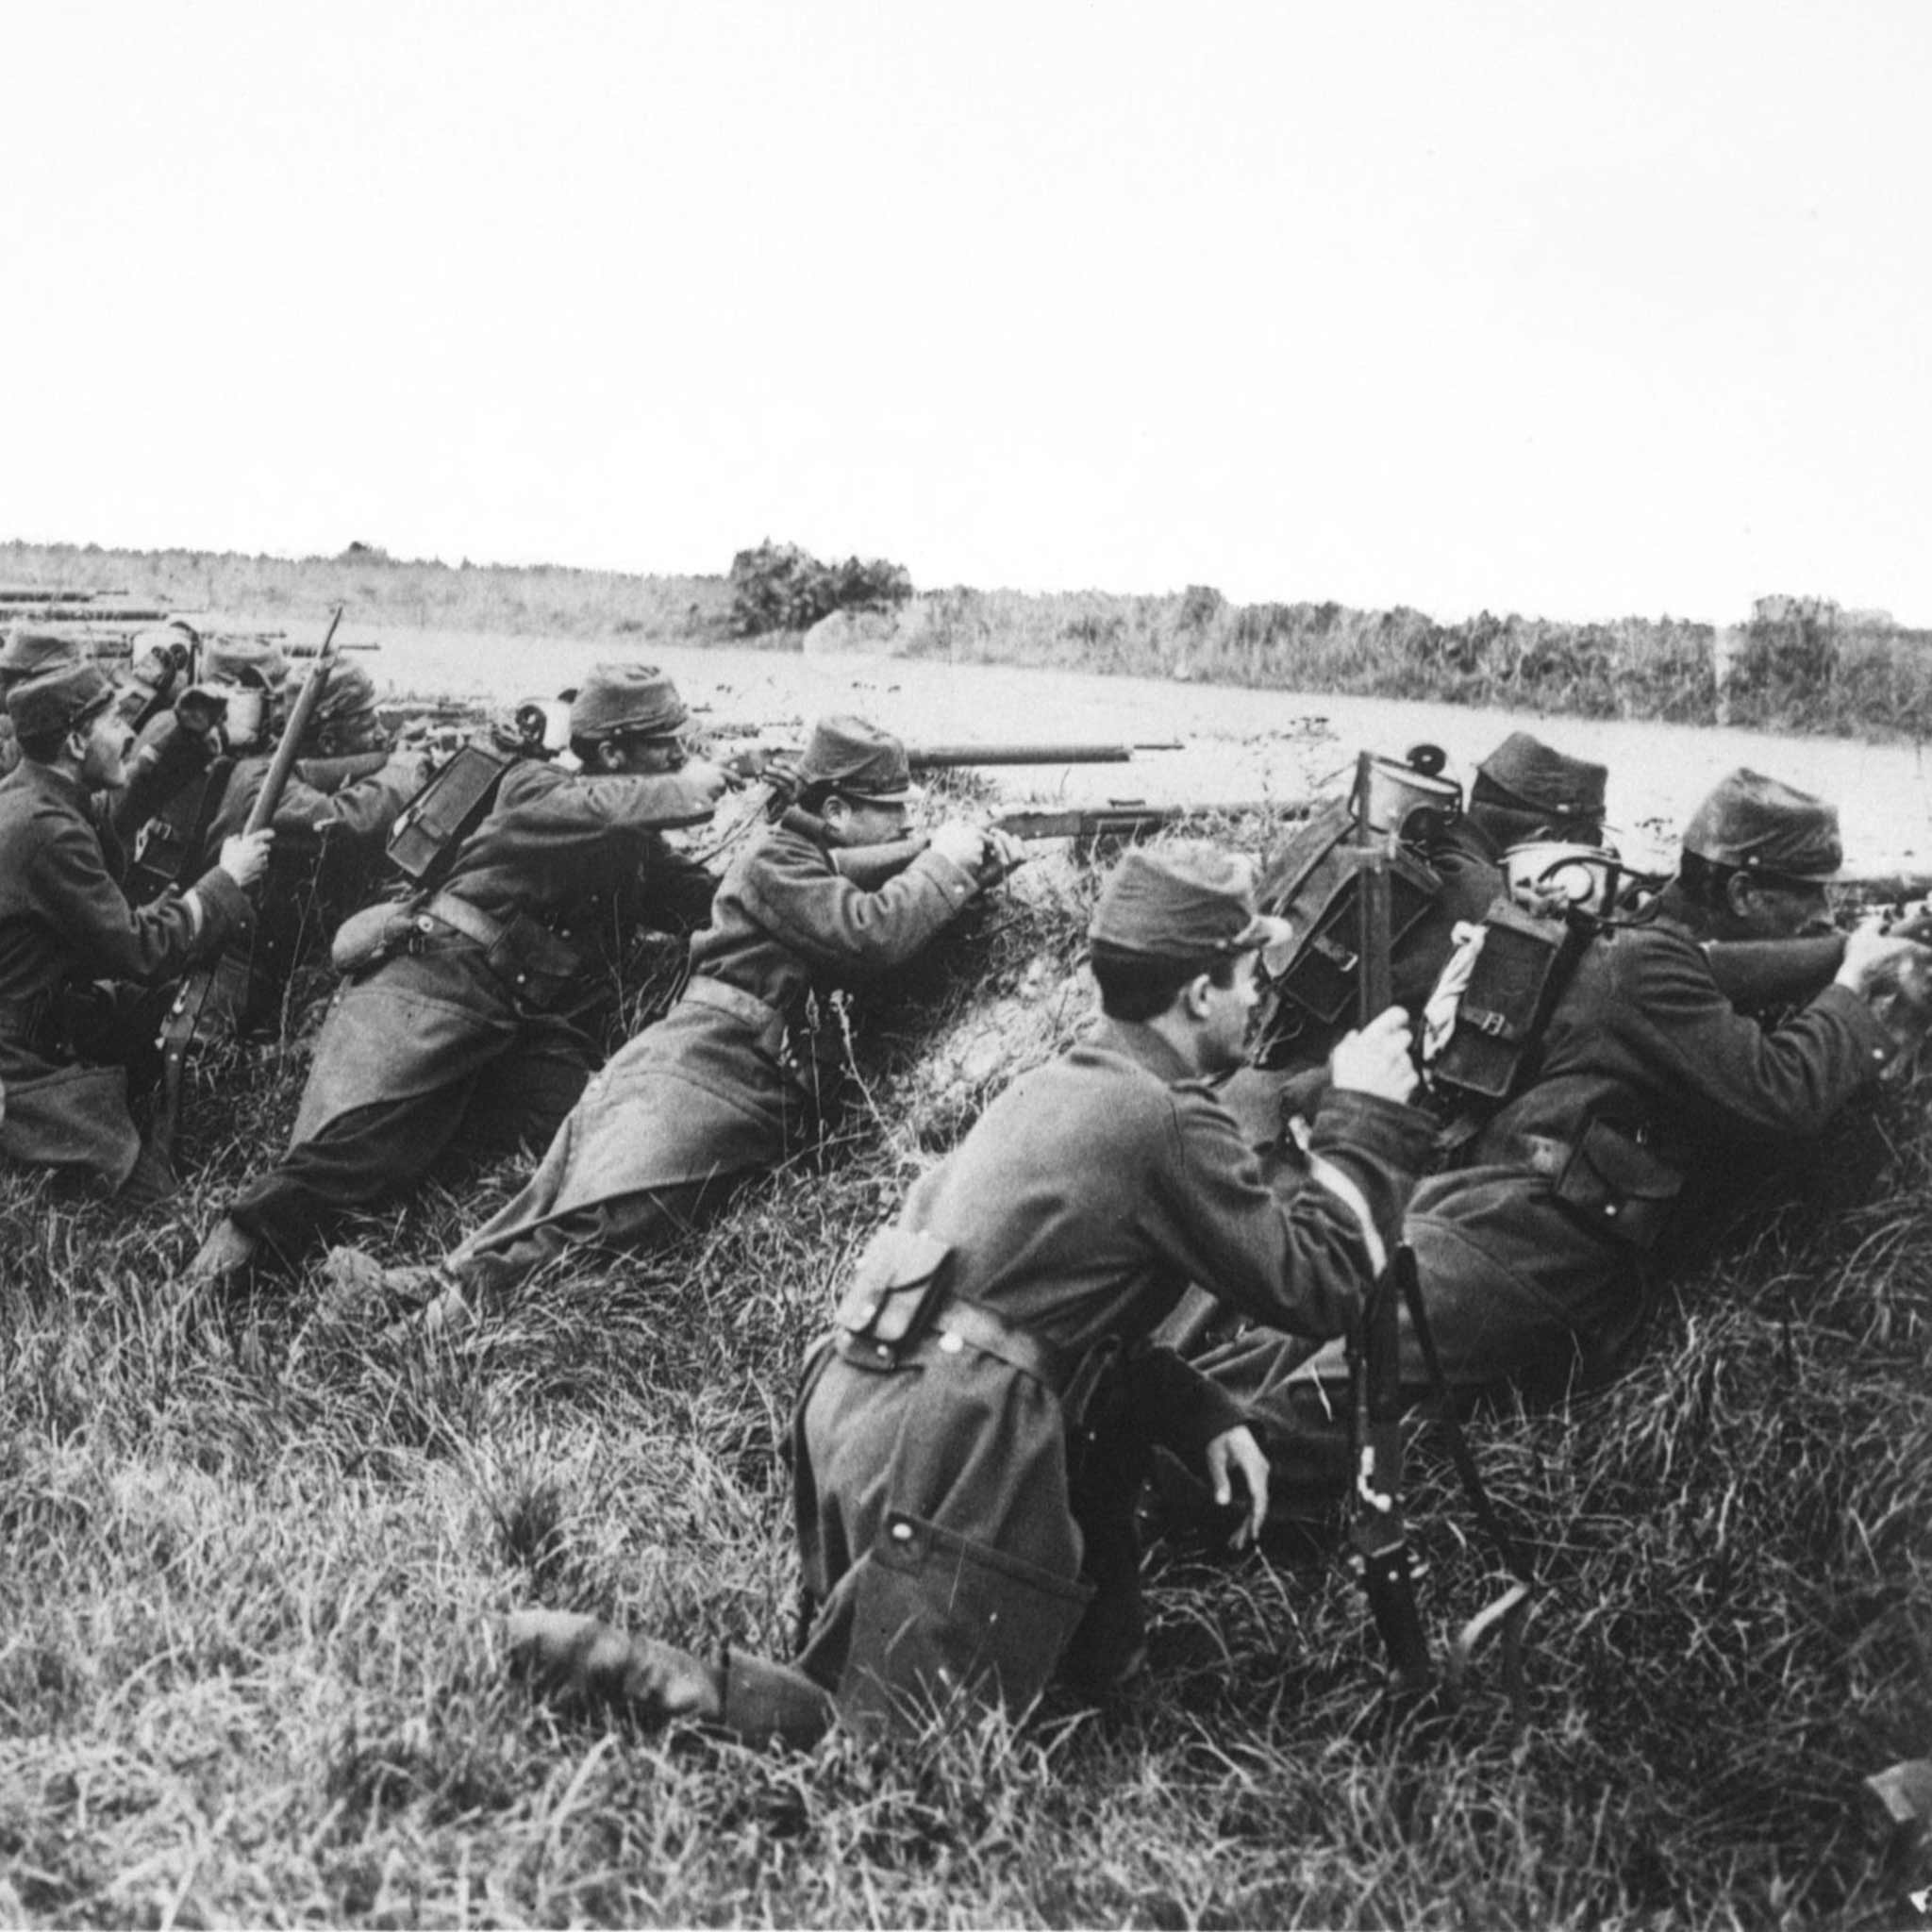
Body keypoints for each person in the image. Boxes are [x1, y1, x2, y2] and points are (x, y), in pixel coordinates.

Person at [506, 841, 1435, 1743]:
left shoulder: (1074, 1079)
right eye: (1248, 976)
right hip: (951, 1436)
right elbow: (1322, 1285)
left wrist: (1194, 1407)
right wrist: (1366, 1117)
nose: (1261, 994)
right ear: (1198, 992)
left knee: (1032, 1703)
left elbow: (1049, 1309)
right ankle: (636, 1670)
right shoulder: (1162, 1116)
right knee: (892, 1746)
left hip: (871, 1404)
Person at [1191, 769, 1932, 1510]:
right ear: (1745, 894)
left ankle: (1122, 1460)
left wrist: (1845, 952)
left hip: (1471, 1207)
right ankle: (1164, 1506)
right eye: (1810, 893)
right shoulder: (1652, 964)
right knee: (1333, 1393)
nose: (1823, 914)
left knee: (1283, 1359)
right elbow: (1784, 1092)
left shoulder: (1638, 933)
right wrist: (1855, 990)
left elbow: (1728, 975)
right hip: (1536, 1247)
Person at [332, 713, 1027, 1328]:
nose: (908, 827)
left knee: (580, 1209)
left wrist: (968, 875)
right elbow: (871, 933)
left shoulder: (812, 860)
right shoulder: (778, 859)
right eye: (894, 814)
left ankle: (414, 1297)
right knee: (605, 1218)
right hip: (703, 1069)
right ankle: (421, 1326)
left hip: (709, 1072)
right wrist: (942, 867)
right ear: (839, 812)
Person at [186, 664, 728, 1281]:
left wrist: (803, 842)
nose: (680, 753)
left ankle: (426, 1276)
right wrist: (697, 787)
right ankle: (226, 1257)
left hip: (518, 1026)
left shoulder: (625, 836)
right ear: (610, 750)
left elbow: (702, 898)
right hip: (438, 991)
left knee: (595, 1133)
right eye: (666, 743)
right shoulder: (535, 787)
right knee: (363, 1151)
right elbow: (605, 805)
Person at [0, 661, 273, 1199]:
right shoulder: (49, 834)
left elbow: (117, 812)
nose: (129, 732)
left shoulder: (30, 795)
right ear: (77, 743)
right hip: (16, 1052)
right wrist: (224, 883)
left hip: (42, 1010)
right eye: (115, 721)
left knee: (162, 1007)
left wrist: (185, 733)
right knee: (153, 1198)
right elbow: (140, 950)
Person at [126, 646, 434, 1030]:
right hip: (219, 992)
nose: (380, 732)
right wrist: (404, 772)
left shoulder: (271, 771)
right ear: (328, 744)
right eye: (368, 720)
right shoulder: (261, 786)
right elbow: (343, 821)